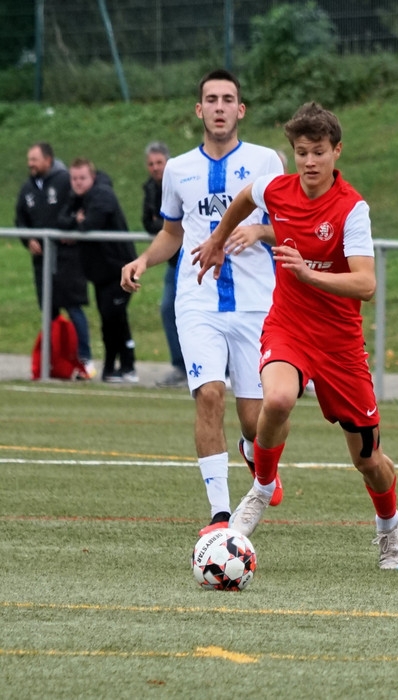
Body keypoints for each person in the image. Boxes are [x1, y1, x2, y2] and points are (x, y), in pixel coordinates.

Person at [192, 102, 398, 571]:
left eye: (319, 152)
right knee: (277, 399)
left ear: (336, 152)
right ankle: (262, 486)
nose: (310, 162)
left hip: (340, 344)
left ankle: (389, 527)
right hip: (288, 326)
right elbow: (245, 197)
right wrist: (217, 241)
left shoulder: (352, 209)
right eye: (302, 152)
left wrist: (309, 274)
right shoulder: (277, 189)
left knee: (369, 461)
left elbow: (366, 284)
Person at [121, 69, 285, 535]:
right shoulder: (177, 169)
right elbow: (172, 233)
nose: (219, 107)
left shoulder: (265, 161)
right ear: (199, 110)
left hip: (256, 303)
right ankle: (219, 516)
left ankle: (254, 452)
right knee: (209, 394)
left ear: (240, 110)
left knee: (256, 420)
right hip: (198, 301)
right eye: (211, 99)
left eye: (227, 99)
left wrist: (260, 230)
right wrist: (144, 260)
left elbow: (292, 225)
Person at [15, 142, 94, 378]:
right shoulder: (27, 188)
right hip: (41, 261)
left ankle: (85, 359)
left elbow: (77, 208)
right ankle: (53, 362)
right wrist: (28, 239)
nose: (30, 164)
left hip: (66, 258)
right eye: (29, 159)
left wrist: (73, 228)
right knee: (48, 312)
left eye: (35, 159)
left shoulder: (63, 181)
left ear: (48, 160)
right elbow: (20, 219)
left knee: (73, 307)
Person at [58, 158, 138, 383]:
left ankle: (116, 367)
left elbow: (91, 223)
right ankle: (124, 367)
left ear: (92, 177)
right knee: (113, 318)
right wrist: (75, 220)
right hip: (100, 272)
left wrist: (77, 226)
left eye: (82, 178)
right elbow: (61, 220)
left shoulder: (103, 194)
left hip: (120, 268)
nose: (78, 183)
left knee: (112, 318)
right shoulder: (77, 198)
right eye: (74, 178)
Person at [141, 141, 185, 387]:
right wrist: (166, 225)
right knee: (168, 309)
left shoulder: (181, 181)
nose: (155, 168)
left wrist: (165, 223)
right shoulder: (149, 188)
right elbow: (149, 223)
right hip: (172, 262)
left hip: (192, 260)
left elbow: (183, 222)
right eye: (151, 164)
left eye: (159, 162)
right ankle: (180, 366)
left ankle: (222, 369)